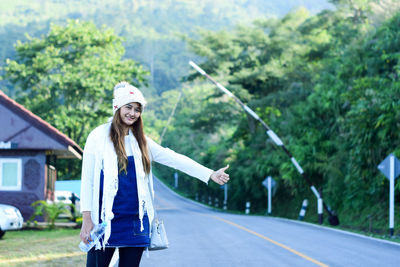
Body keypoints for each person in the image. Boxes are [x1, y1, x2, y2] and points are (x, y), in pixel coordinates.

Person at [79, 81, 230, 267]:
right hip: (104, 222)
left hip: (137, 222)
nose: (132, 113)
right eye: (129, 107)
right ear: (117, 107)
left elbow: (173, 158)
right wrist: (87, 219)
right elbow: (87, 181)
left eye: (137, 109)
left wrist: (209, 174)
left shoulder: (141, 141)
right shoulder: (98, 137)